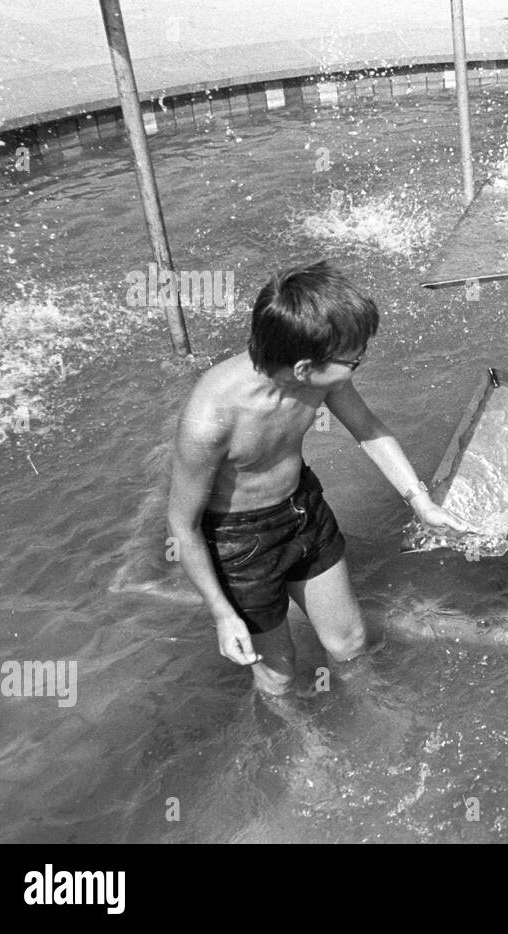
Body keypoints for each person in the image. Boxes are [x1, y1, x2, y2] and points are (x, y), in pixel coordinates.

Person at [166, 261, 472, 694]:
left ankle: (372, 724)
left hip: (302, 510)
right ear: (305, 368)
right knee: (279, 671)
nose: (359, 364)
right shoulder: (211, 419)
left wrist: (420, 501)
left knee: (351, 642)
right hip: (240, 543)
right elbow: (182, 526)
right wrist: (222, 613)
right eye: (354, 360)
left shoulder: (319, 379)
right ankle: (301, 746)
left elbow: (367, 428)